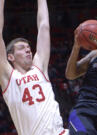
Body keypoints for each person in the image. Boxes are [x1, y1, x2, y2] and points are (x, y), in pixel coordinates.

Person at [0, 0, 69, 135]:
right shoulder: (8, 77)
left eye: (28, 48)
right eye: (21, 48)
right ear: (10, 57)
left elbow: (44, 26)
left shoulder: (39, 67)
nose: (28, 50)